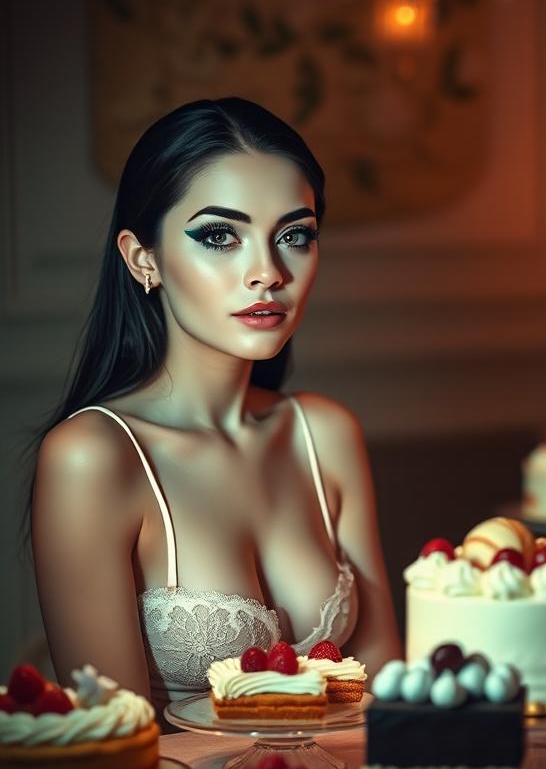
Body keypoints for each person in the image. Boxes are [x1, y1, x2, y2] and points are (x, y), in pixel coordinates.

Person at [29, 98, 401, 718]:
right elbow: (120, 744)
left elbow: (386, 687)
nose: (267, 272)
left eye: (295, 236)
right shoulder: (92, 458)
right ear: (142, 258)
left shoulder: (326, 434)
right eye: (220, 236)